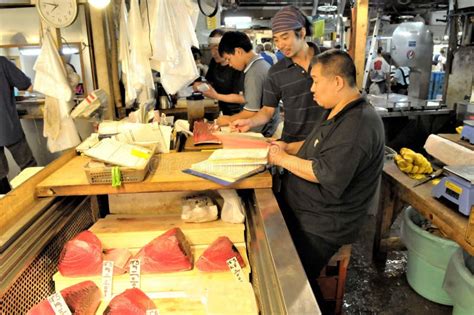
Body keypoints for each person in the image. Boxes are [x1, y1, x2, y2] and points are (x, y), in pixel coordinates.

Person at [268, 49, 385, 311]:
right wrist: (286, 147)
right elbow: (315, 147)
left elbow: (325, 172)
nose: (312, 88)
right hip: (304, 207)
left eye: (316, 80)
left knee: (288, 284)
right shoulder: (337, 111)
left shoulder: (358, 125)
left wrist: (280, 159)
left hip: (323, 224)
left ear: (337, 82)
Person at [231, 5, 325, 143]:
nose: (280, 45)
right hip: (291, 146)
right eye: (276, 39)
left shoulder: (329, 59)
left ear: (302, 32)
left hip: (328, 142)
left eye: (285, 37)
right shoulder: (276, 72)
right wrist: (250, 122)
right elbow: (267, 110)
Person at [215, 31, 279, 137]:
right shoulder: (259, 64)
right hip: (265, 127)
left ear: (238, 51)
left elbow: (251, 112)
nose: (230, 64)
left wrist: (228, 119)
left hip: (263, 132)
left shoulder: (254, 72)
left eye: (229, 59)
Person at [0, 56, 37, 194]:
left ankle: (7, 209)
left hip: (6, 126)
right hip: (7, 126)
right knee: (28, 166)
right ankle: (36, 200)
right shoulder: (2, 63)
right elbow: (27, 86)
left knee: (0, 175)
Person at [194, 29, 245, 116]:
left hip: (239, 115)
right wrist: (201, 86)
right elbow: (210, 83)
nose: (213, 53)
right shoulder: (214, 62)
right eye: (211, 48)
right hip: (221, 111)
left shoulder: (239, 66)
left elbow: (242, 98)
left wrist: (216, 96)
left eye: (217, 48)